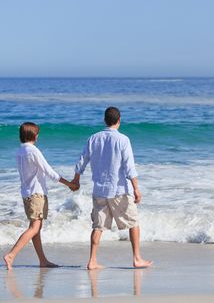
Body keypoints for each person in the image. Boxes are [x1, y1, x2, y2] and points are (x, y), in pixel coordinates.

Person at [72, 107, 152, 269]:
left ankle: (92, 261)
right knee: (133, 223)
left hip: (99, 190)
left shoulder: (93, 138)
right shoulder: (123, 140)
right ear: (119, 120)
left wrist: (76, 179)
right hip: (119, 190)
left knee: (98, 226)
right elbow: (129, 167)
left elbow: (82, 161)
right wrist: (136, 188)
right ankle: (137, 258)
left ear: (104, 120)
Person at [3, 122, 79, 271]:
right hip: (36, 194)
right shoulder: (33, 150)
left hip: (27, 194)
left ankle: (42, 260)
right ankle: (11, 255)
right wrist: (69, 184)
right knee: (34, 228)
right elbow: (49, 172)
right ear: (33, 135)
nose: (38, 136)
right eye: (37, 133)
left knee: (36, 227)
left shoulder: (20, 151)